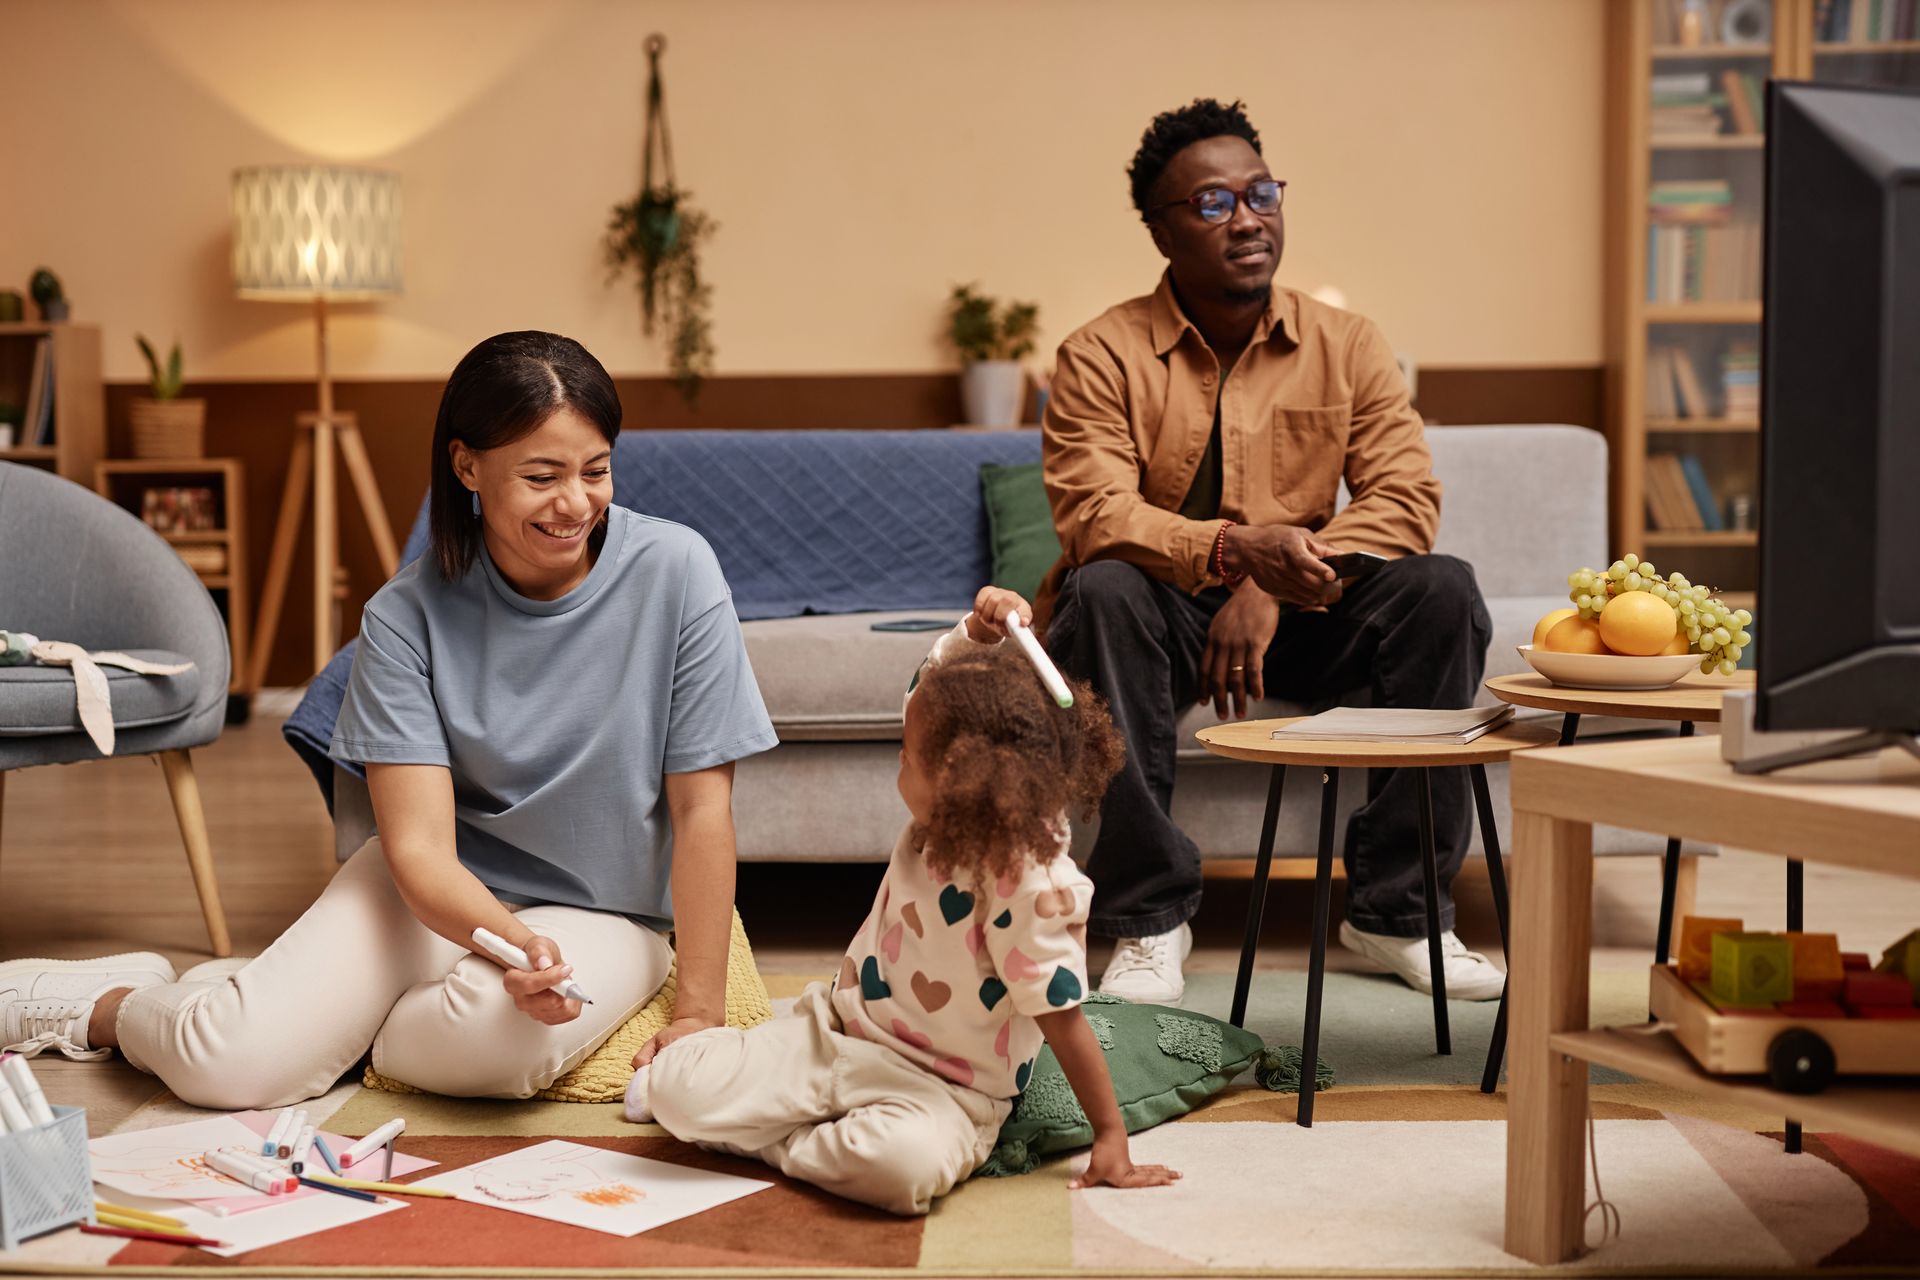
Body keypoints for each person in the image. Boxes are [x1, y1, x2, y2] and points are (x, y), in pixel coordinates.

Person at [0, 331, 778, 1107]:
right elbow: (419, 850)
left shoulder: (677, 571)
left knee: (486, 1054)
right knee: (227, 1066)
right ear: (467, 465)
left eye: (595, 470)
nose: (575, 502)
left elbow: (702, 808)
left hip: (608, 912)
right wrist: (513, 942)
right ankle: (112, 1005)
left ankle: (282, 1003)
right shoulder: (405, 615)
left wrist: (699, 1012)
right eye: (542, 476)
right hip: (435, 889)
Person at [1037, 99, 1498, 1005]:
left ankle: (1397, 914)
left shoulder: (1348, 344)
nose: (1247, 219)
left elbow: (1406, 500)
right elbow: (1094, 511)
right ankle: (1146, 919)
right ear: (1162, 232)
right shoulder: (1100, 354)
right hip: (1159, 616)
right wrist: (1231, 554)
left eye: (1261, 193)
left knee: (1443, 592)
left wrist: (1271, 588)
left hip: (1304, 606)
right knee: (1100, 589)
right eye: (1213, 204)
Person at [635, 587, 1179, 1216]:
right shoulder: (943, 812)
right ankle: (800, 1133)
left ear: (960, 784)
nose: (900, 757)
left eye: (909, 759)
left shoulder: (1032, 889)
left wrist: (1110, 1136)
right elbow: (932, 691)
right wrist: (976, 634)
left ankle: (779, 1146)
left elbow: (1064, 1021)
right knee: (674, 1089)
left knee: (900, 1171)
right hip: (833, 1033)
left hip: (947, 1091)